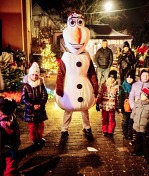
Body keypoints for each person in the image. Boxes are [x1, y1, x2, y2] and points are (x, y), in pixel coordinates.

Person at [55, 11, 98, 141]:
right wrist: (59, 88)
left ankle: (87, 128)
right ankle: (64, 130)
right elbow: (61, 74)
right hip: (69, 89)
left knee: (85, 110)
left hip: (85, 88)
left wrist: (95, 87)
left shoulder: (86, 56)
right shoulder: (66, 56)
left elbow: (91, 73)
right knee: (68, 110)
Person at [22, 62, 48, 146]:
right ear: (30, 75)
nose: (34, 76)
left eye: (36, 75)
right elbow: (24, 98)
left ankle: (40, 138)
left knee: (40, 125)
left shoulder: (41, 84)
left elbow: (45, 95)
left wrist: (40, 104)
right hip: (30, 110)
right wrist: (32, 106)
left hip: (40, 109)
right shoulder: (26, 86)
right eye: (33, 75)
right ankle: (35, 140)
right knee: (32, 127)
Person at [130, 87, 149, 164]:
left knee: (146, 143)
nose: (142, 95)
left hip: (145, 127)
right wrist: (132, 119)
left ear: (148, 96)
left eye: (144, 94)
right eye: (141, 93)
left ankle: (148, 156)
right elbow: (134, 111)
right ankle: (137, 151)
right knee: (137, 140)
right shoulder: (138, 103)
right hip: (137, 125)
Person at [96, 70, 120, 137]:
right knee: (104, 119)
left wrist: (118, 106)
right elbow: (100, 94)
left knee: (111, 119)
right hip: (104, 105)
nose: (111, 79)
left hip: (112, 106)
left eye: (113, 78)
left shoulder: (117, 87)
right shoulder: (103, 85)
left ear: (115, 78)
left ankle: (110, 131)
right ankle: (105, 130)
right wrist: (97, 103)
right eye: (110, 77)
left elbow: (118, 97)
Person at [0, 97, 20, 176]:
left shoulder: (11, 118)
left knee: (13, 164)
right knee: (10, 165)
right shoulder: (5, 123)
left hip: (12, 146)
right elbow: (7, 137)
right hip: (9, 149)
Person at [118, 69, 136, 139]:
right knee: (125, 121)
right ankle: (124, 133)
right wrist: (120, 107)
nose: (129, 79)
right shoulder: (123, 87)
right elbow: (120, 97)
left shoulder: (135, 86)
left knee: (131, 121)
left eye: (131, 78)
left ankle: (129, 134)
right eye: (128, 77)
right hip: (125, 107)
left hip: (132, 107)